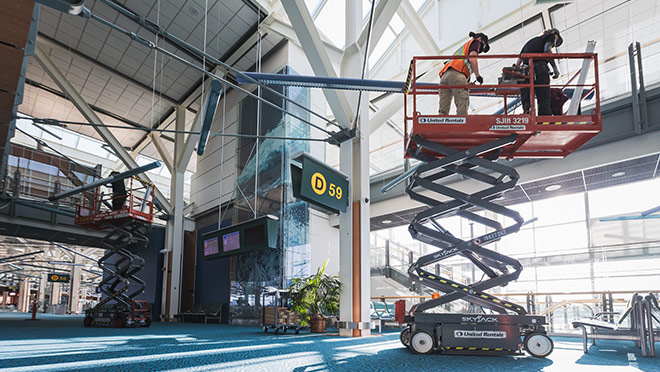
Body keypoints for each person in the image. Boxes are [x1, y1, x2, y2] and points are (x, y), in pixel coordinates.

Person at [438, 31, 490, 115]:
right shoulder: (476, 42)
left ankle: (440, 126)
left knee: (443, 109)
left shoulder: (463, 48)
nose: (480, 50)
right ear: (480, 39)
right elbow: (472, 58)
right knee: (462, 102)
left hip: (445, 77)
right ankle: (461, 126)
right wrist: (478, 76)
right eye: (483, 46)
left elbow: (457, 71)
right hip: (457, 75)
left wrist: (465, 82)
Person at [515, 28, 563, 115]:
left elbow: (518, 61)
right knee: (543, 94)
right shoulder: (551, 36)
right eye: (555, 42)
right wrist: (555, 69)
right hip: (540, 68)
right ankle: (544, 116)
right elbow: (547, 50)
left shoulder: (531, 41)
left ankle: (527, 111)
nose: (553, 45)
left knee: (526, 92)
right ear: (554, 33)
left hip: (526, 70)